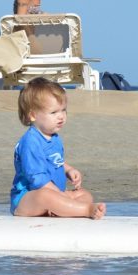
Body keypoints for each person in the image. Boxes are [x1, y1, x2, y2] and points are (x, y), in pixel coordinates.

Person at [10, 77, 106, 219]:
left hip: (54, 193)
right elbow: (37, 179)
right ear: (33, 115)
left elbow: (55, 160)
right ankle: (85, 210)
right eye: (54, 112)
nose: (61, 116)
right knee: (46, 196)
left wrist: (68, 169)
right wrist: (59, 194)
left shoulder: (53, 137)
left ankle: (62, 209)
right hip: (27, 198)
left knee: (84, 194)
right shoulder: (31, 141)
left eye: (63, 110)